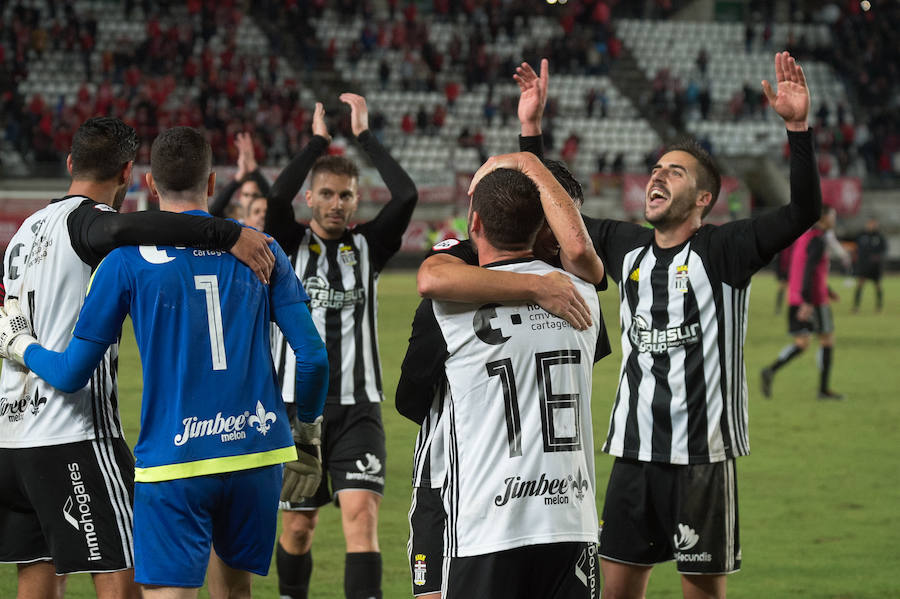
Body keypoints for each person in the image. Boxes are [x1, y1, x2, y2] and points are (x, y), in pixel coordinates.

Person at [0, 126, 330, 598]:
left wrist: (20, 345)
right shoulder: (262, 249)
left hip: (173, 458)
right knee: (236, 592)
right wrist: (308, 436)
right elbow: (313, 358)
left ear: (149, 184)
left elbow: (73, 372)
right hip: (256, 450)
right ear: (213, 183)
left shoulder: (123, 261)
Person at [585, 51, 821, 599]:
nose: (658, 175)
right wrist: (532, 133)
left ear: (704, 198)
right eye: (656, 168)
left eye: (675, 171)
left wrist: (797, 129)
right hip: (633, 455)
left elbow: (803, 212)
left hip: (702, 460)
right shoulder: (627, 247)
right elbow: (562, 215)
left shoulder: (725, 250)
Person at [398, 167, 603, 599]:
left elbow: (410, 398)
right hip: (567, 511)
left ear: (477, 223)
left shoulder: (447, 307)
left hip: (478, 513)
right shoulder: (583, 295)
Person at [265, 94, 418, 599]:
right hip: (296, 410)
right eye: (326, 194)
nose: (336, 204)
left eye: (346, 196)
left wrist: (365, 135)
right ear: (311, 198)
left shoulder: (369, 247)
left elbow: (406, 196)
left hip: (359, 410)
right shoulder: (286, 244)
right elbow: (273, 201)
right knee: (298, 529)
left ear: (356, 201)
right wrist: (316, 144)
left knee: (362, 516)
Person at [761, 205, 843, 400]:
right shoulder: (818, 240)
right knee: (827, 341)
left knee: (802, 343)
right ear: (823, 218)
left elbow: (806, 270)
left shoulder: (804, 238)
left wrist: (827, 290)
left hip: (796, 298)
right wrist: (808, 302)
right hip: (813, 300)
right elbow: (809, 271)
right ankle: (823, 390)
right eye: (833, 217)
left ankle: (771, 370)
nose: (835, 221)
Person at [208, 131, 270, 221]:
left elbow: (275, 204)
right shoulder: (233, 226)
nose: (250, 199)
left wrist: (253, 168)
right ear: (240, 197)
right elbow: (213, 212)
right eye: (246, 195)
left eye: (255, 195)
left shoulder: (265, 223)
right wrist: (238, 178)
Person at [852, 216, 887, 312]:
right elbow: (856, 247)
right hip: (863, 265)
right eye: (871, 224)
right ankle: (856, 306)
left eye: (874, 224)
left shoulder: (880, 236)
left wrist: (878, 257)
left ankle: (879, 306)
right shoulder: (861, 235)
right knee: (860, 284)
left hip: (876, 266)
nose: (872, 226)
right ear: (867, 224)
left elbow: (884, 250)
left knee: (878, 285)